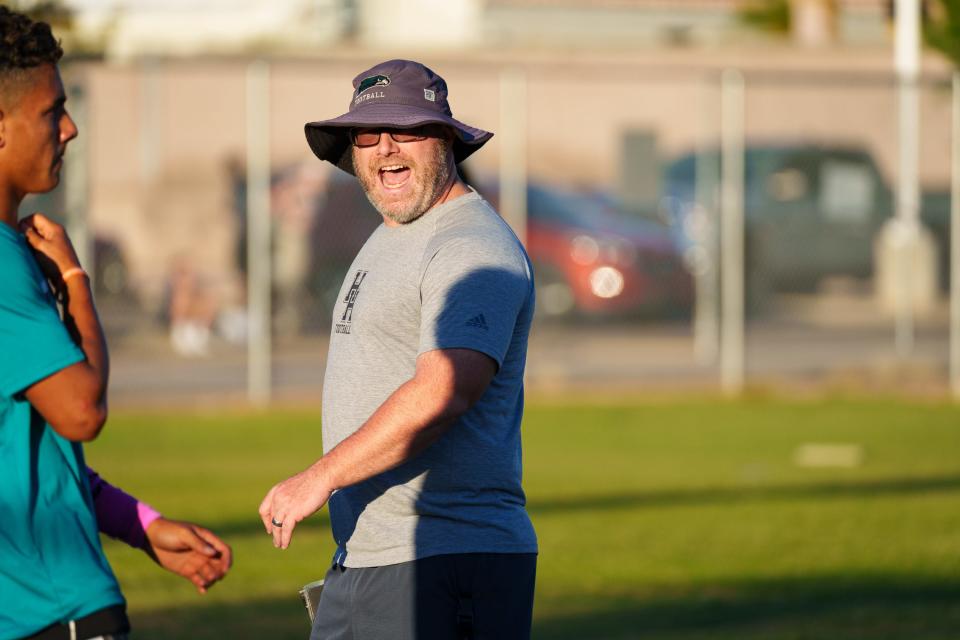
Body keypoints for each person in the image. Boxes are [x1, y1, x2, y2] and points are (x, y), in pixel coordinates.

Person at [259, 59, 538, 639]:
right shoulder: (395, 232)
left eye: (407, 129)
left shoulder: (471, 247)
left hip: (445, 559)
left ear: (446, 140)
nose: (386, 147)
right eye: (368, 133)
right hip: (370, 558)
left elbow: (445, 391)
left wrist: (321, 477)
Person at [0, 7, 231, 640]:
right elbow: (80, 413)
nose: (69, 129)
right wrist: (76, 282)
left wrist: (144, 524)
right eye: (52, 111)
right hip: (54, 609)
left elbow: (32, 456)